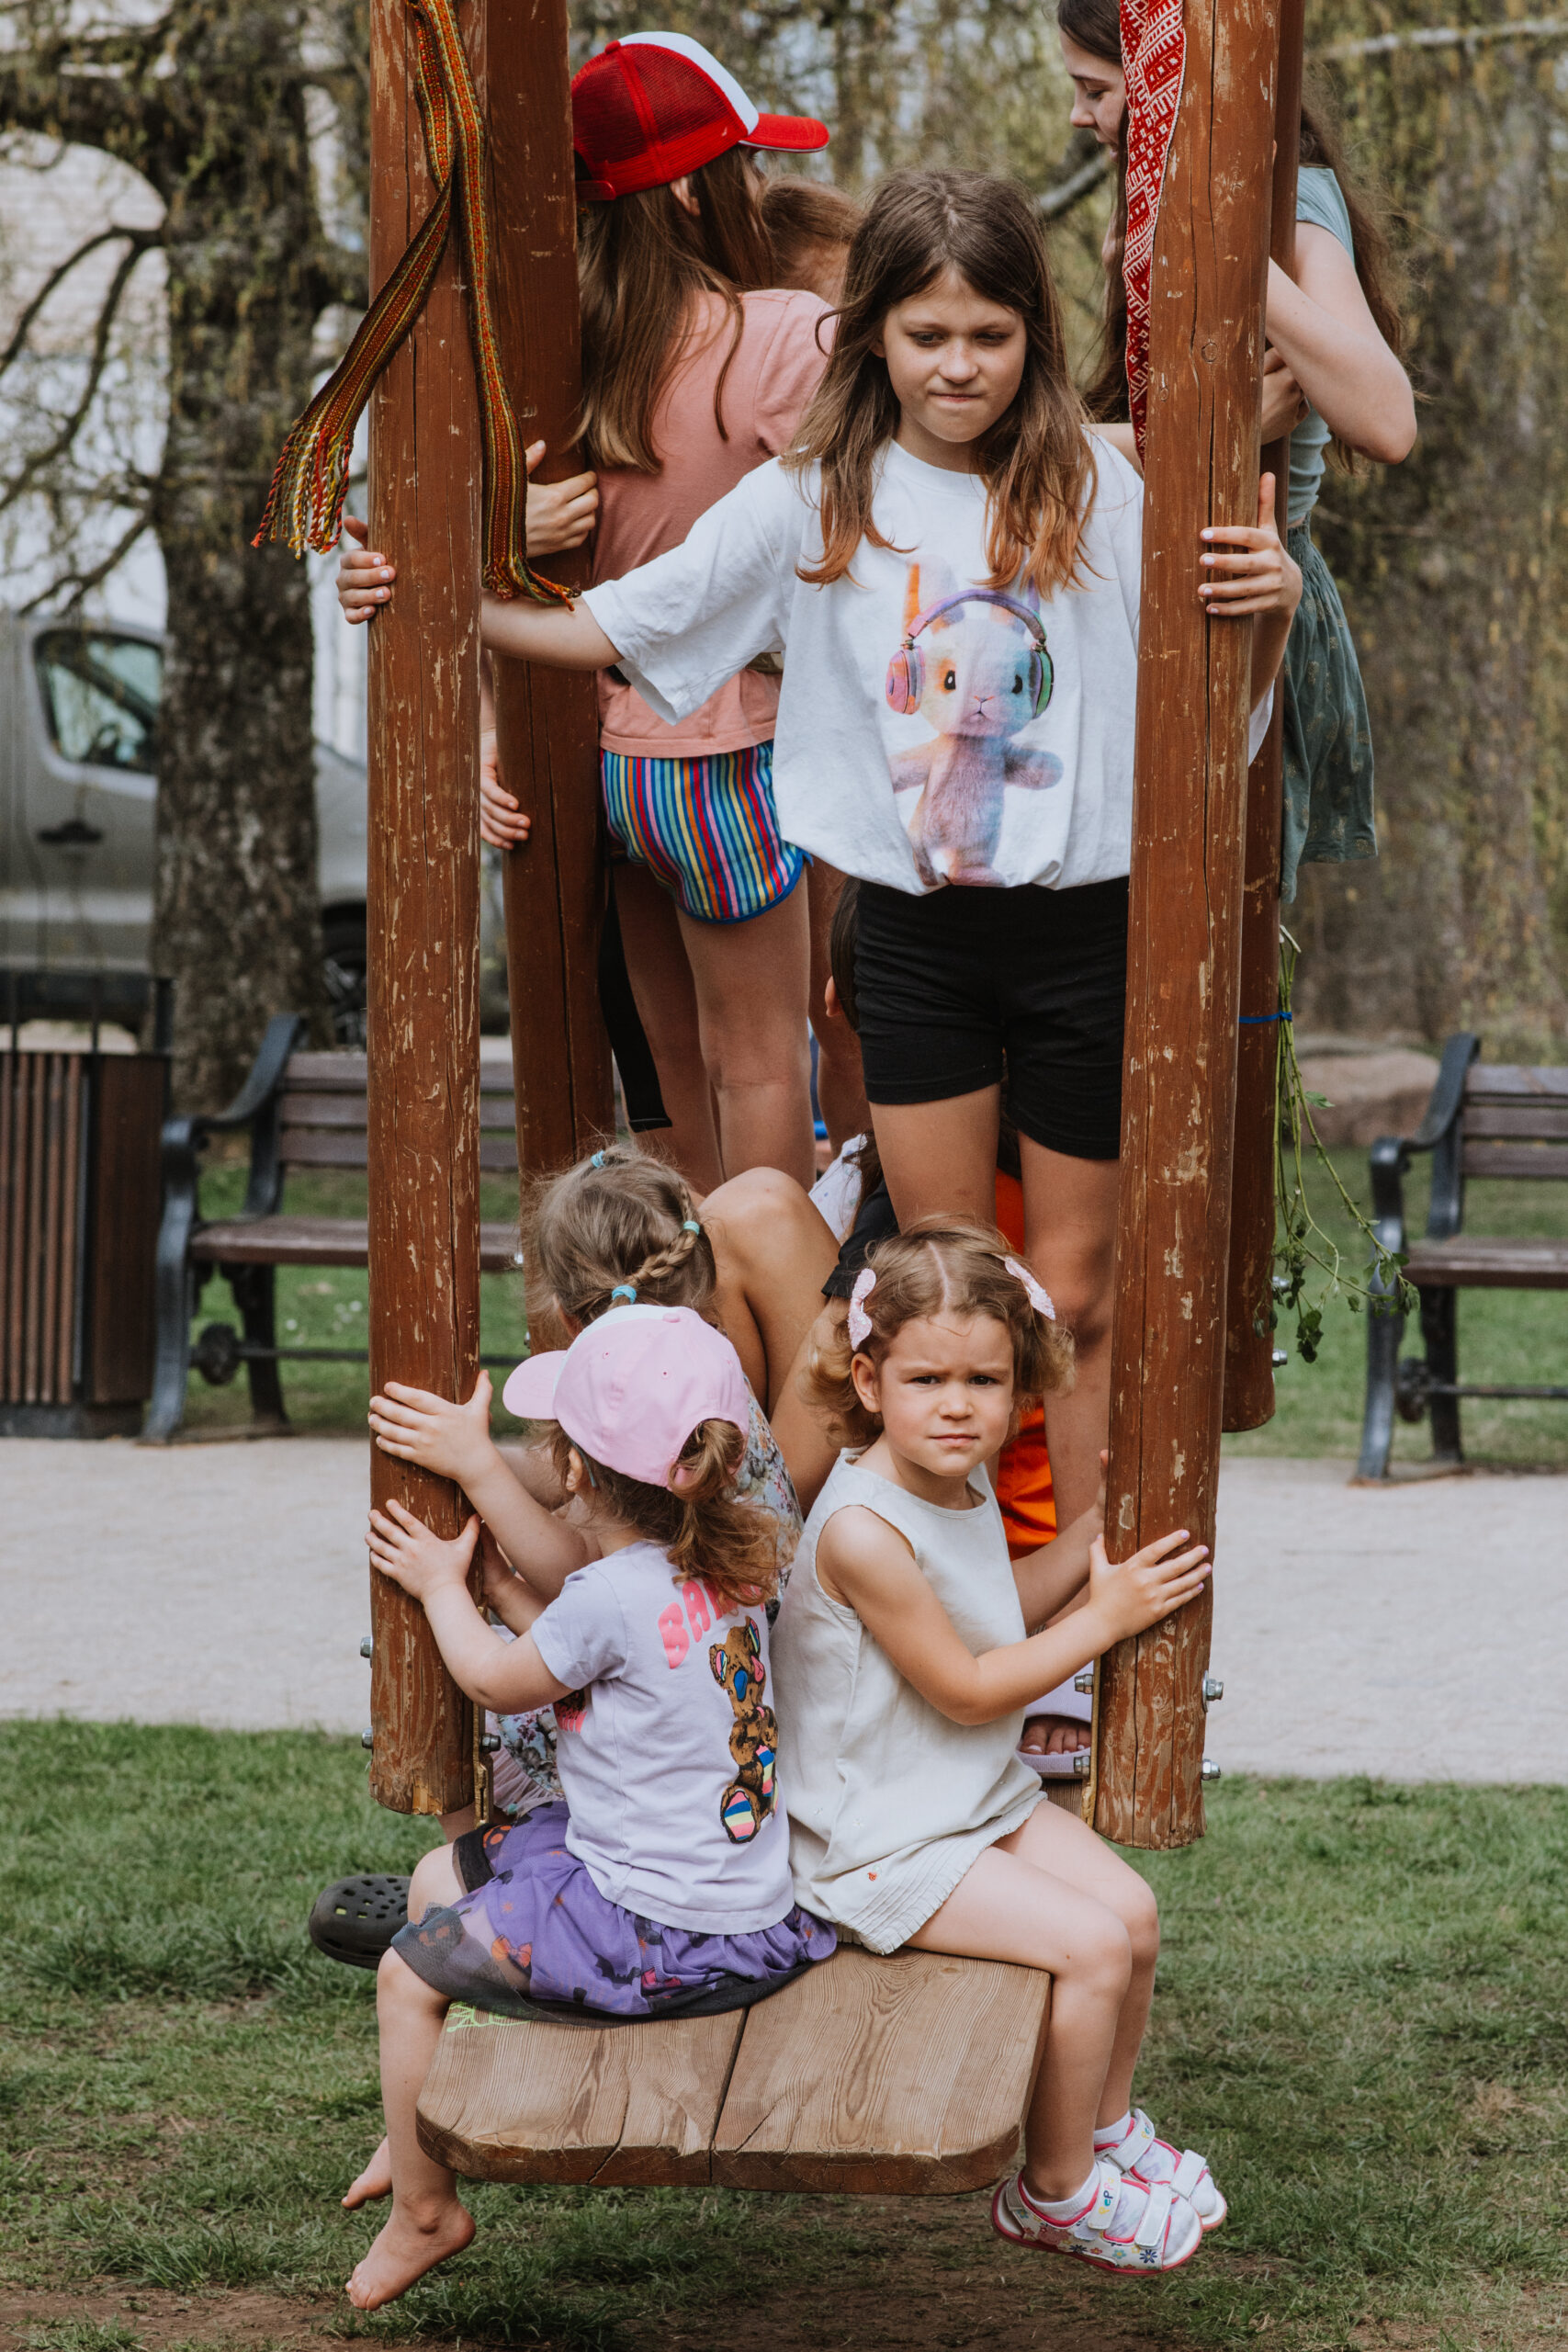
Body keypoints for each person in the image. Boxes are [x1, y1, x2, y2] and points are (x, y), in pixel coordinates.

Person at [436, 166, 1301, 1534]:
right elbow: (617, 622)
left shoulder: (1102, 488)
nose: (958, 366)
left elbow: (1212, 740)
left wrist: (1275, 608)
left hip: (1087, 930)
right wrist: (434, 594)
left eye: (989, 335)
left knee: (1077, 1294)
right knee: (940, 1294)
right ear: (875, 338)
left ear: (1032, 337)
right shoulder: (816, 497)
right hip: (915, 937)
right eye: (926, 333)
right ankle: (945, 1591)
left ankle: (1086, 1596)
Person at [341, 33, 848, 1188]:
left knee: (668, 1072)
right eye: (745, 165)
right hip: (731, 747)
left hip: (607, 759)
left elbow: (409, 542)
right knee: (764, 1063)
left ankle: (692, 1294)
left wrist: (480, 693)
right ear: (691, 192)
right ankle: (772, 1295)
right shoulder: (781, 336)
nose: (759, 187)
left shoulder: (539, 364)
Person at [344, 1305, 836, 2311]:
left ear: (572, 1469)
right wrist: (501, 1588)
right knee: (441, 1878)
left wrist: (443, 1587)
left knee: (402, 1973)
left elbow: (496, 1679)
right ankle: (415, 2121)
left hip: (654, 1928)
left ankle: (426, 2212)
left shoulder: (608, 1595)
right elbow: (593, 1660)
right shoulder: (728, 1563)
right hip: (743, 1911)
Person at [773, 1223, 1220, 2269]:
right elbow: (969, 1689)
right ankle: (1054, 2193)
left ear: (1021, 1389)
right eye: (927, 1379)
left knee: (1131, 1916)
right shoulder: (863, 1530)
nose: (958, 1405)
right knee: (1089, 1947)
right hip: (872, 1842)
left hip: (961, 1796)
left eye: (985, 1380)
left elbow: (987, 1613)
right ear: (869, 1381)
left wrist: (1091, 1534)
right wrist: (1105, 1618)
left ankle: (1101, 2133)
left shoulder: (955, 1481)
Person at [1055, 0, 1416, 899]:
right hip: (1155, 579)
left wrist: (1236, 254)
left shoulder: (1285, 210)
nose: (1078, 115)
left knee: (1203, 908)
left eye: (1095, 90)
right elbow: (1154, 432)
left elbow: (1387, 420)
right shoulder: (1148, 206)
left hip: (1246, 595)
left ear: (1162, 88)